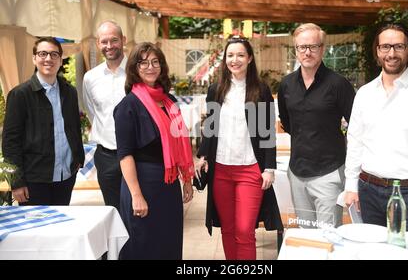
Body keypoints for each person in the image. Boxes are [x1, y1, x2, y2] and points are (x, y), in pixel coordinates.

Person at [344, 22, 408, 232]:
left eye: (399, 47)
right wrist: (350, 186)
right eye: (385, 47)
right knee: (371, 253)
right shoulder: (364, 93)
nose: (392, 53)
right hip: (367, 191)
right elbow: (355, 143)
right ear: (377, 51)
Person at [196, 36, 283, 260]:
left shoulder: (260, 90)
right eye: (230, 55)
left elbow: (266, 133)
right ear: (225, 60)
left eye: (240, 55)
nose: (235, 60)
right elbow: (211, 126)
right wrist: (203, 155)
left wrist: (269, 168)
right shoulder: (216, 90)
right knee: (227, 228)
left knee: (244, 230)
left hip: (250, 169)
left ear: (250, 58)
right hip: (221, 170)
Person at [114, 42, 194, 259]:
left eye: (155, 62)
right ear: (134, 68)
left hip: (168, 186)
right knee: (142, 246)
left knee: (168, 242)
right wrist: (136, 195)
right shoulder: (128, 106)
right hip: (141, 184)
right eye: (143, 63)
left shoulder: (170, 101)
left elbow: (179, 144)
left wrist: (186, 180)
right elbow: (125, 154)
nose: (150, 67)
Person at [277, 23, 355, 228]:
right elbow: (287, 123)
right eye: (302, 47)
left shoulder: (339, 84)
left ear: (322, 48)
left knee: (328, 236)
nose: (307, 52)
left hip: (328, 174)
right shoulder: (286, 85)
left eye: (313, 46)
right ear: (296, 50)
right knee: (305, 234)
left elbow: (356, 127)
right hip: (297, 173)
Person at [2, 37, 84, 205]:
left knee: (60, 227)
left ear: (61, 60)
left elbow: (74, 127)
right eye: (43, 54)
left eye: (54, 54)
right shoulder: (19, 95)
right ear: (34, 58)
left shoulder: (70, 92)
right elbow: (10, 143)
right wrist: (16, 182)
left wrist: (78, 159)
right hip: (33, 180)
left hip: (66, 177)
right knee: (37, 231)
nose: (48, 59)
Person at [82, 20, 127, 211]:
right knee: (113, 210)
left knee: (139, 209)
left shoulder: (138, 72)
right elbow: (93, 112)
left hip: (137, 153)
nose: (109, 46)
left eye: (114, 40)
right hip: (106, 156)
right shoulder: (90, 78)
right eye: (104, 41)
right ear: (98, 43)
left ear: (124, 40)